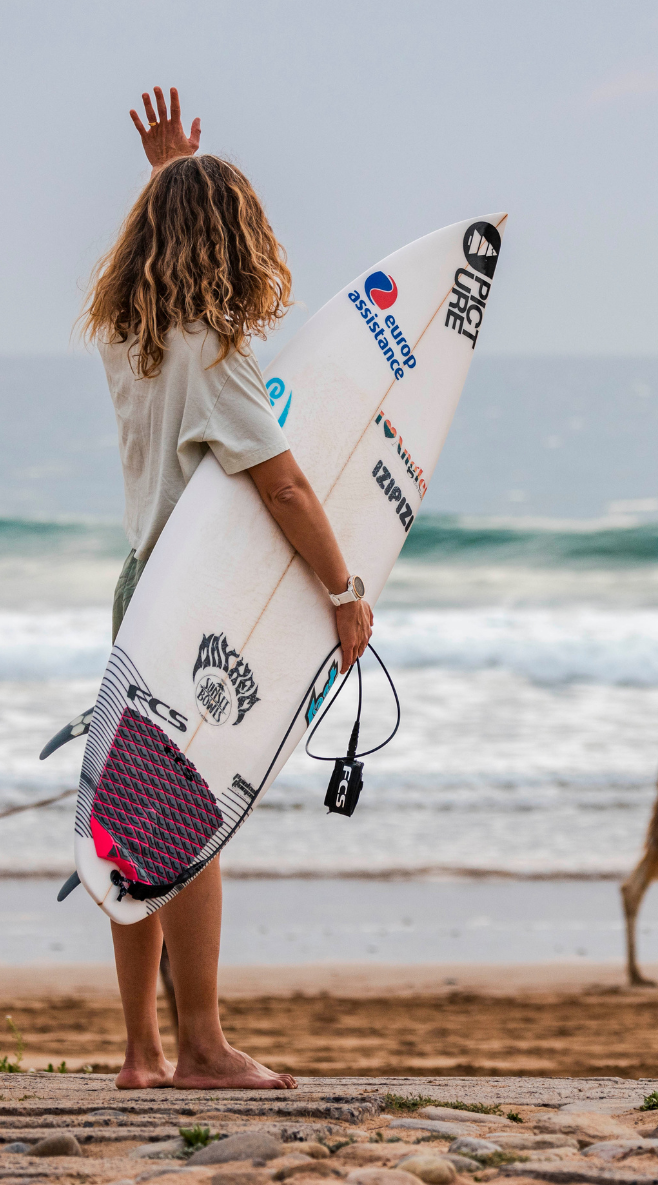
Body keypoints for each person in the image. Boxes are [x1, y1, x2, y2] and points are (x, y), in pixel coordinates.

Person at [82, 86, 374, 1090]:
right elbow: (284, 484)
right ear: (234, 242)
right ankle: (202, 1044)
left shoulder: (133, 336)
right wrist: (343, 590)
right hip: (199, 604)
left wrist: (167, 176)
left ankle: (140, 1050)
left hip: (140, 590)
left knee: (134, 821)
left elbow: (156, 263)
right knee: (191, 825)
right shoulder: (216, 356)